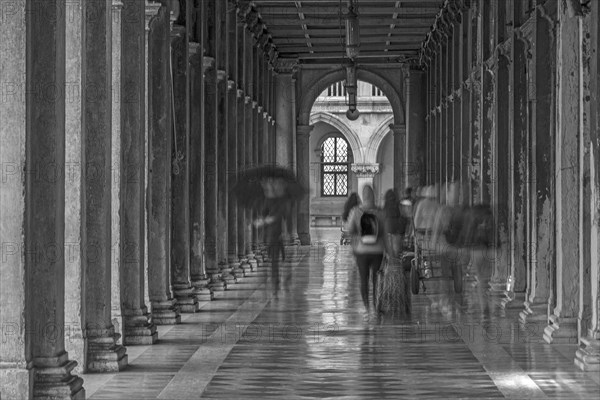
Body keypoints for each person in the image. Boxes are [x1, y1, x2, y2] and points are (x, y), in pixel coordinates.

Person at [347, 184, 385, 315]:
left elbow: (350, 230)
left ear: (363, 196)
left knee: (364, 279)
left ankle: (367, 308)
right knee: (377, 279)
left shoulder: (356, 211)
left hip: (362, 251)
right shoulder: (380, 212)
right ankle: (376, 306)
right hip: (378, 251)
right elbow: (385, 232)